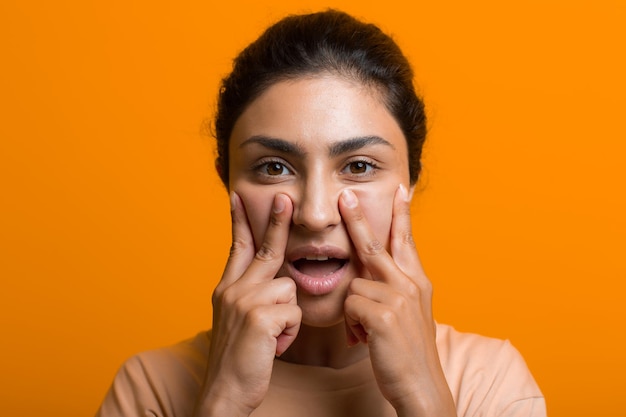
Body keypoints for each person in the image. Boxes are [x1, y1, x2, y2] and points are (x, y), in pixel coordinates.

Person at [96, 9, 545, 417]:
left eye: (358, 166)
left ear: (409, 180)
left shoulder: (490, 381)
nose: (313, 215)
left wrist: (423, 395)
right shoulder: (150, 389)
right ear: (227, 180)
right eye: (274, 167)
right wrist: (224, 399)